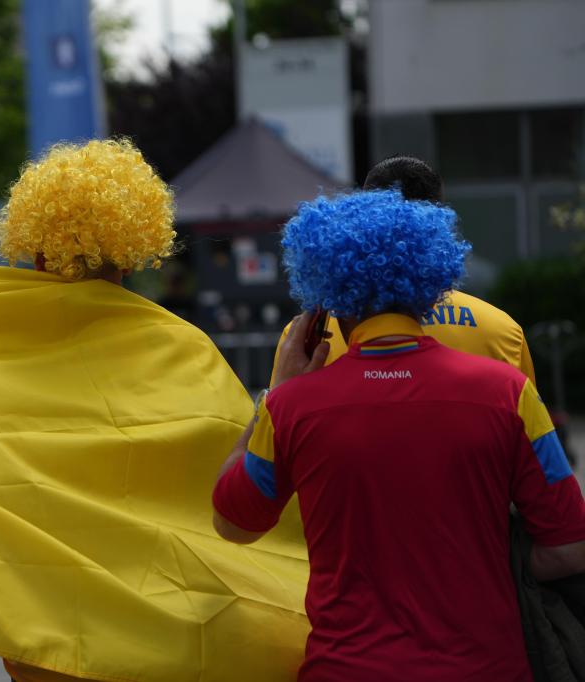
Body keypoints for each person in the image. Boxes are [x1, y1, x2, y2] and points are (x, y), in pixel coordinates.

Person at [212, 189, 585, 680]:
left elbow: (233, 522)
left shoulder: (290, 409)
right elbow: (568, 549)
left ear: (326, 299)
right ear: (429, 284)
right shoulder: (509, 393)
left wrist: (276, 392)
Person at [0, 138, 175, 682]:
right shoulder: (182, 351)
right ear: (133, 255)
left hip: (40, 630)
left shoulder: (0, 355)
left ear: (38, 254)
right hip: (150, 624)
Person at [271, 155, 536, 382]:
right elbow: (525, 420)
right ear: (440, 223)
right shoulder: (502, 331)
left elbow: (275, 421)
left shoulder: (306, 340)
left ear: (360, 217)